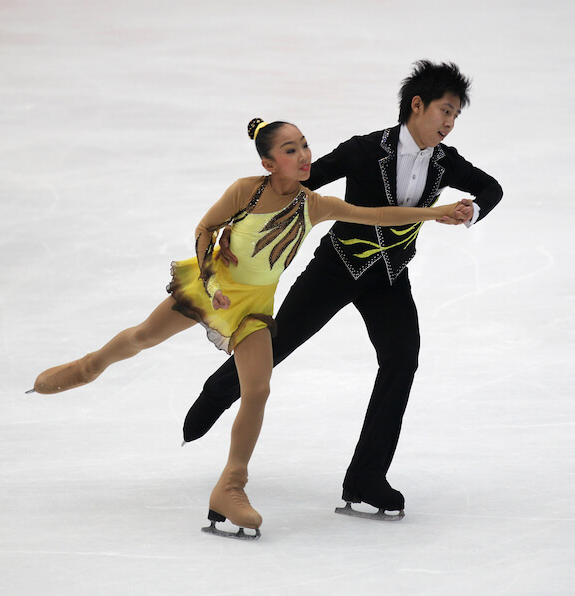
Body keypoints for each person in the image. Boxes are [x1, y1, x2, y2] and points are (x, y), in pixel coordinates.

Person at [28, 116, 465, 538]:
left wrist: (436, 212)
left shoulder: (314, 204)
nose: (304, 155)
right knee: (144, 335)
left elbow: (375, 214)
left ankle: (230, 487)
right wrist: (210, 279)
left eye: (305, 145)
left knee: (257, 389)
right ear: (269, 163)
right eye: (290, 150)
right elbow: (205, 228)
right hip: (212, 288)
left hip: (254, 309)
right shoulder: (246, 192)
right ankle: (90, 365)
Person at [183, 61, 503, 519]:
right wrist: (238, 223)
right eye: (445, 111)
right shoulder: (365, 149)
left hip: (390, 276)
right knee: (276, 344)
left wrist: (470, 211)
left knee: (401, 360)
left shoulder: (446, 162)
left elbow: (491, 187)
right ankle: (218, 392)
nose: (450, 124)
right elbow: (297, 181)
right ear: (417, 105)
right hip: (337, 268)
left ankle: (366, 477)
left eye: (456, 116)